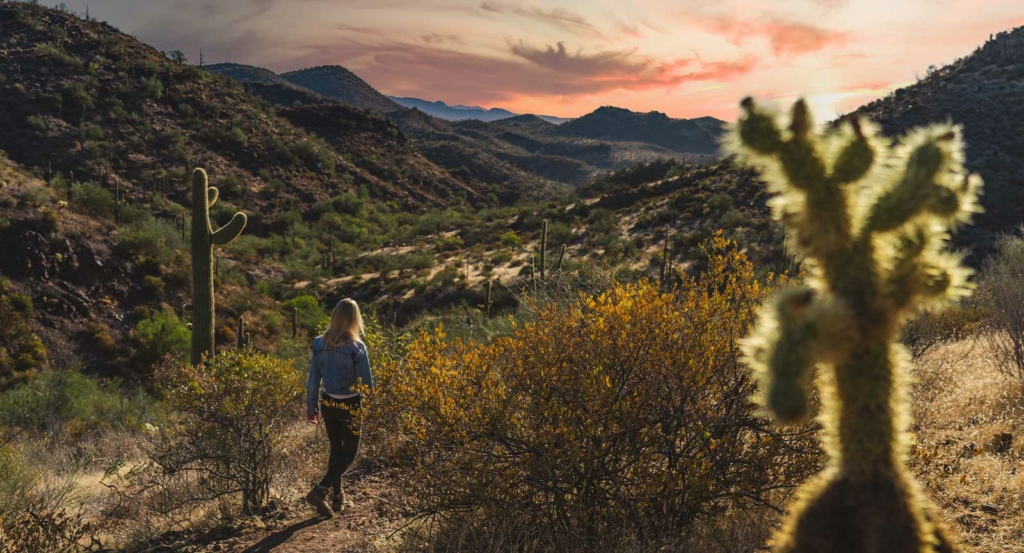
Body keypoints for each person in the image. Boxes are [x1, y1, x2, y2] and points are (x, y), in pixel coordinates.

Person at [304, 298, 373, 519]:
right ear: (355, 319)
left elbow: (313, 378)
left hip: (328, 402)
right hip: (350, 403)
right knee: (349, 452)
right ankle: (320, 490)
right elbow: (367, 385)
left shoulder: (318, 343)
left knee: (336, 449)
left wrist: (311, 406)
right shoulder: (357, 348)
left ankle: (337, 497)